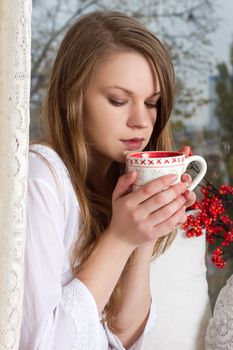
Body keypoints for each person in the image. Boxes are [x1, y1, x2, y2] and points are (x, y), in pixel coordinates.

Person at [20, 10, 197, 350]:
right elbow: (41, 345)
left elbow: (124, 337)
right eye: (118, 100)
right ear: (73, 98)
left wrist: (144, 234)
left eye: (152, 103)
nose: (141, 121)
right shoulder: (40, 180)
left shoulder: (113, 181)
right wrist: (118, 238)